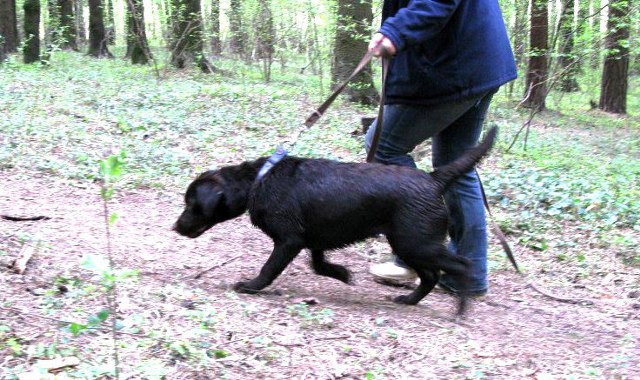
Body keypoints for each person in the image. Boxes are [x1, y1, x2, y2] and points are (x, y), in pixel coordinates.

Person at [365, 0, 517, 296]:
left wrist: (396, 31)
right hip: (478, 60)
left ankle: (416, 252)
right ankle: (467, 275)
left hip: (455, 65)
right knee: (456, 166)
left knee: (382, 145)